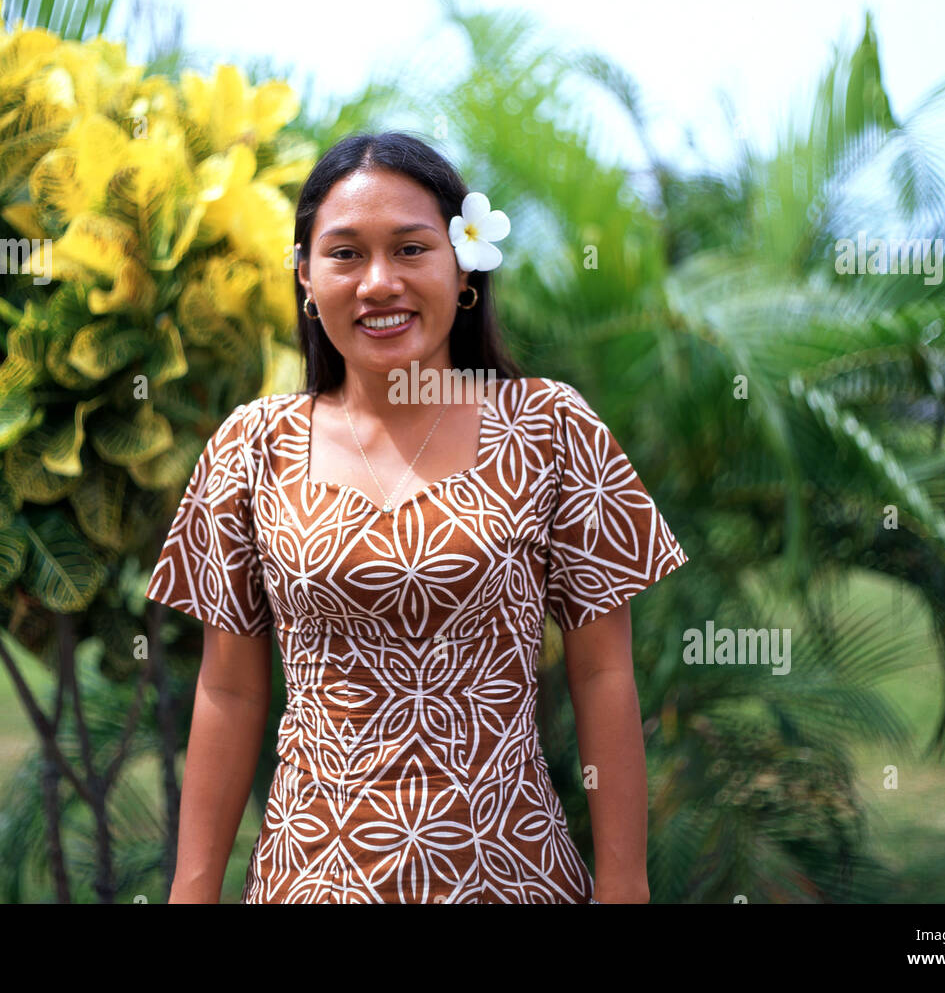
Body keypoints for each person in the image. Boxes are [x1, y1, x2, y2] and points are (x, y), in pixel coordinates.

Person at [146, 131, 689, 903]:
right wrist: (191, 891)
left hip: (510, 874)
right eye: (344, 254)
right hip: (313, 879)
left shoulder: (550, 429)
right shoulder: (251, 447)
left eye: (410, 249)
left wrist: (625, 886)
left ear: (462, 265)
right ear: (305, 276)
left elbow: (602, 670)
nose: (379, 283)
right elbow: (229, 691)